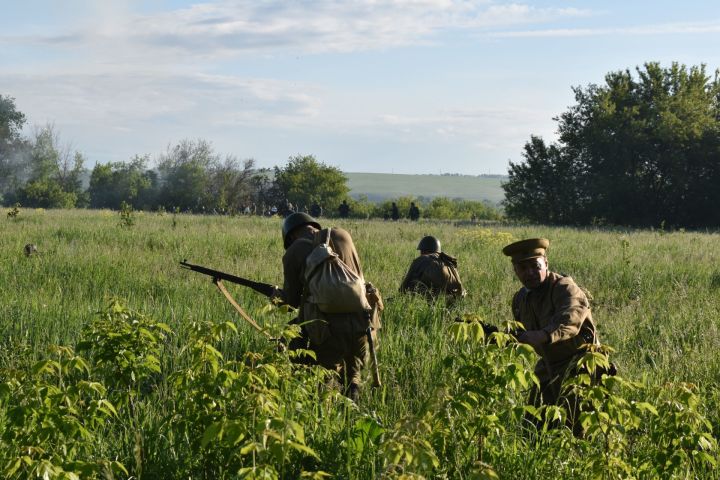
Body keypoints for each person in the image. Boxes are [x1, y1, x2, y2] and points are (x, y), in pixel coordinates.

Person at [276, 212, 382, 400]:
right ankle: (354, 408)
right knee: (353, 380)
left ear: (291, 236)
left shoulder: (295, 250)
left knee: (324, 383)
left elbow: (291, 302)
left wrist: (276, 296)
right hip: (363, 322)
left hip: (327, 328)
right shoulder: (343, 235)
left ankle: (326, 422)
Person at [502, 238, 597, 432]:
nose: (529, 273)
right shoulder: (521, 299)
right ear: (515, 271)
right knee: (532, 425)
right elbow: (522, 334)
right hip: (548, 365)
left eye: (535, 266)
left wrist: (544, 335)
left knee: (576, 428)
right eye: (523, 268)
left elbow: (570, 319)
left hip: (580, 365)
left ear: (546, 263)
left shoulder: (565, 288)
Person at [399, 236, 466, 301]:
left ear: (423, 250)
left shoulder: (422, 259)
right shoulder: (448, 261)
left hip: (435, 300)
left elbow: (406, 283)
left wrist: (399, 296)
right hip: (456, 298)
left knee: (413, 284)